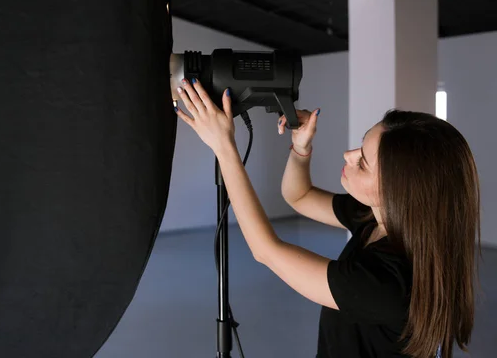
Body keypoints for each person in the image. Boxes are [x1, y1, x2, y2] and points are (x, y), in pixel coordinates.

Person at [174, 78, 480, 358]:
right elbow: (299, 196)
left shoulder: (388, 283)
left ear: (397, 193)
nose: (348, 155)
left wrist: (225, 148)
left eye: (363, 162)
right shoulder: (375, 219)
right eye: (360, 145)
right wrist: (301, 148)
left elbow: (266, 251)